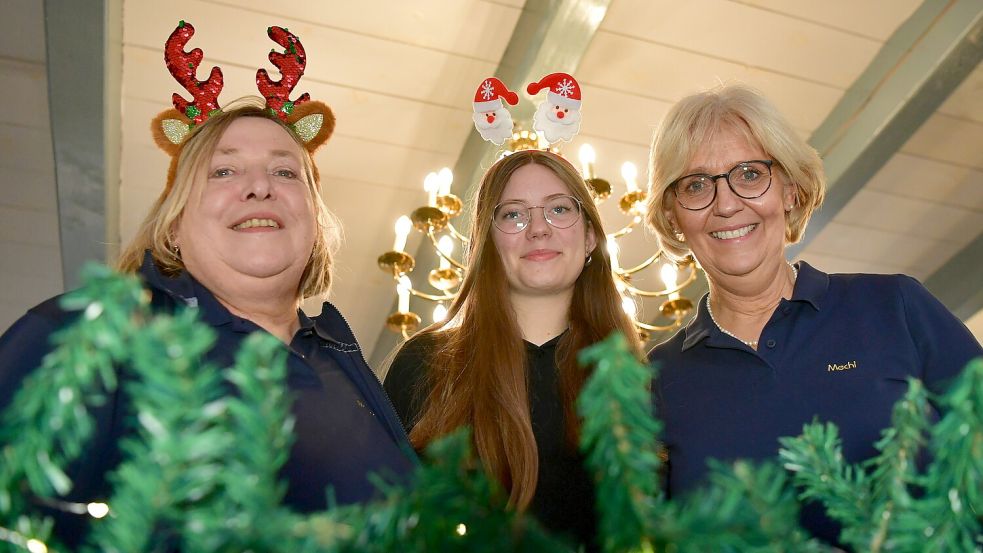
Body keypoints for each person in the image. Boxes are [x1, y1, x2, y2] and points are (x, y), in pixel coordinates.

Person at [0, 96, 416, 546]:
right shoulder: (95, 332)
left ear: (314, 219)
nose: (260, 187)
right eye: (223, 171)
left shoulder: (346, 365)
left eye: (285, 172)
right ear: (174, 225)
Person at [645, 84, 982, 544]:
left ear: (789, 190)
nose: (725, 204)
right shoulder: (659, 378)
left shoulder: (894, 307)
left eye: (749, 174)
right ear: (673, 214)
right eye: (696, 185)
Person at [384, 149, 642, 551]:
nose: (538, 228)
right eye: (513, 214)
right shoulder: (424, 364)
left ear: (590, 235)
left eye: (559, 209)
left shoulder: (638, 378)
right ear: (487, 242)